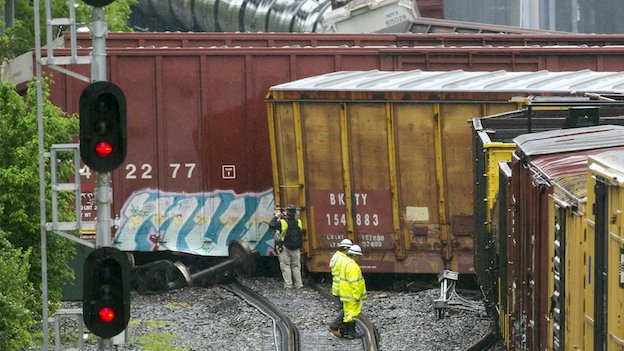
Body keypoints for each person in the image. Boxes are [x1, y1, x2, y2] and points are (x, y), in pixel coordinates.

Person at [269, 204, 304, 289]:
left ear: (287, 214)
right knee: (296, 266)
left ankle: (288, 285)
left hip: (285, 248)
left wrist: (277, 216)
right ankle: (299, 285)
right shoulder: (299, 222)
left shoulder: (282, 223)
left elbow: (271, 225)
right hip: (296, 248)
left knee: (286, 266)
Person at [337, 244, 367, 339]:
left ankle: (344, 331)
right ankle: (350, 332)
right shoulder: (353, 267)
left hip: (346, 294)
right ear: (355, 255)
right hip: (352, 295)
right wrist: (357, 296)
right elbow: (355, 283)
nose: (359, 258)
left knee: (347, 313)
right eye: (358, 256)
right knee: (351, 315)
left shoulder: (345, 263)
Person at [328, 238, 352, 336]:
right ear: (346, 249)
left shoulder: (336, 256)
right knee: (346, 310)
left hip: (337, 287)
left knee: (343, 309)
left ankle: (343, 330)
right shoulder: (343, 259)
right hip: (342, 288)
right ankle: (334, 326)